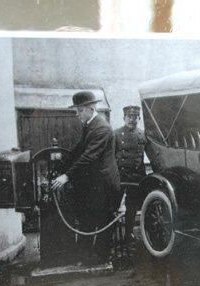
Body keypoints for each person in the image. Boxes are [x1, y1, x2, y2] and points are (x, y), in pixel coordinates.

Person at [51, 91, 120, 266]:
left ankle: (101, 259)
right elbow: (78, 150)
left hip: (103, 184)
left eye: (80, 110)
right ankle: (87, 257)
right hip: (93, 183)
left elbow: (89, 156)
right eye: (76, 110)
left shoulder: (101, 128)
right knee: (87, 220)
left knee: (102, 220)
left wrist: (66, 176)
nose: (77, 114)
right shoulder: (90, 125)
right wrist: (61, 166)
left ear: (91, 108)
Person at [114, 105, 152, 241]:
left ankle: (128, 233)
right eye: (129, 117)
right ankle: (111, 235)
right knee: (113, 204)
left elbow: (151, 154)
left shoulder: (143, 134)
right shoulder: (116, 134)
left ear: (139, 118)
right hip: (120, 175)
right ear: (124, 118)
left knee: (132, 207)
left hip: (136, 176)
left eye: (135, 117)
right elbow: (111, 156)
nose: (132, 120)